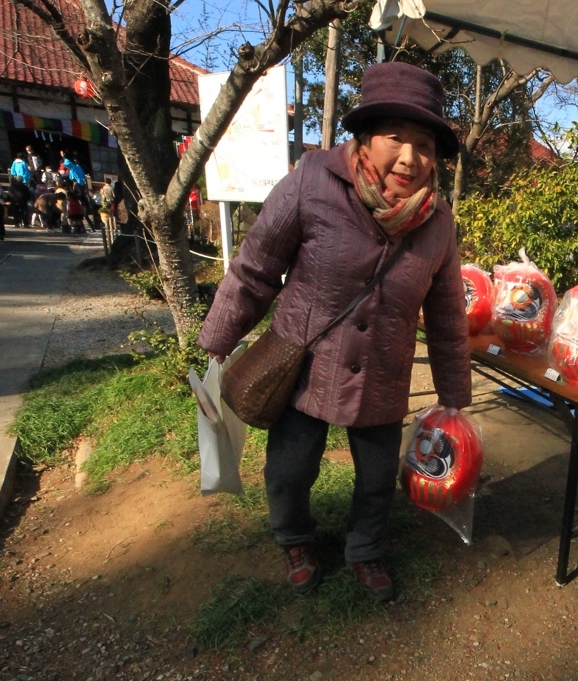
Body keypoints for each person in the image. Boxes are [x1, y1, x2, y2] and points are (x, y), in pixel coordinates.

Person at [198, 62, 471, 603]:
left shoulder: (439, 222)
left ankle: (364, 550)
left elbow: (446, 319)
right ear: (365, 139)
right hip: (304, 368)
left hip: (384, 373)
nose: (410, 158)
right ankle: (295, 539)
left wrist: (455, 400)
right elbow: (255, 268)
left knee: (375, 481)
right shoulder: (311, 182)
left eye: (424, 145)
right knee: (289, 471)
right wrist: (215, 342)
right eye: (396, 138)